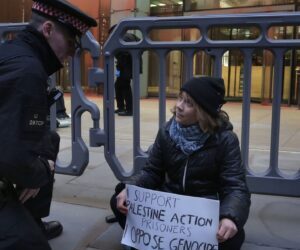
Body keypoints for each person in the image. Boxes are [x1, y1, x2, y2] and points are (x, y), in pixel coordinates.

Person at [110, 76, 251, 250]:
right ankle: (152, 239)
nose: (179, 106)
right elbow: (152, 171)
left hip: (202, 212)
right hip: (169, 209)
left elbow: (235, 187)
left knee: (233, 236)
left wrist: (230, 217)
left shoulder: (225, 140)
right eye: (180, 98)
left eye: (189, 103)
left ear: (203, 111)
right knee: (119, 200)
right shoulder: (167, 131)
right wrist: (130, 188)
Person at [0, 0, 97, 249]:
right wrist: (42, 170)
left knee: (48, 141)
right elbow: (12, 158)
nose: (71, 53)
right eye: (71, 43)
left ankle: (30, 219)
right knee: (29, 245)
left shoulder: (14, 53)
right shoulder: (28, 71)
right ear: (48, 29)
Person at [109, 25, 141, 116]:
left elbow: (122, 52)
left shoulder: (123, 38)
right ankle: (121, 107)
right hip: (127, 66)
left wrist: (122, 57)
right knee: (119, 85)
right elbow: (140, 45)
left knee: (125, 86)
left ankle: (129, 109)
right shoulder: (130, 35)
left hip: (126, 67)